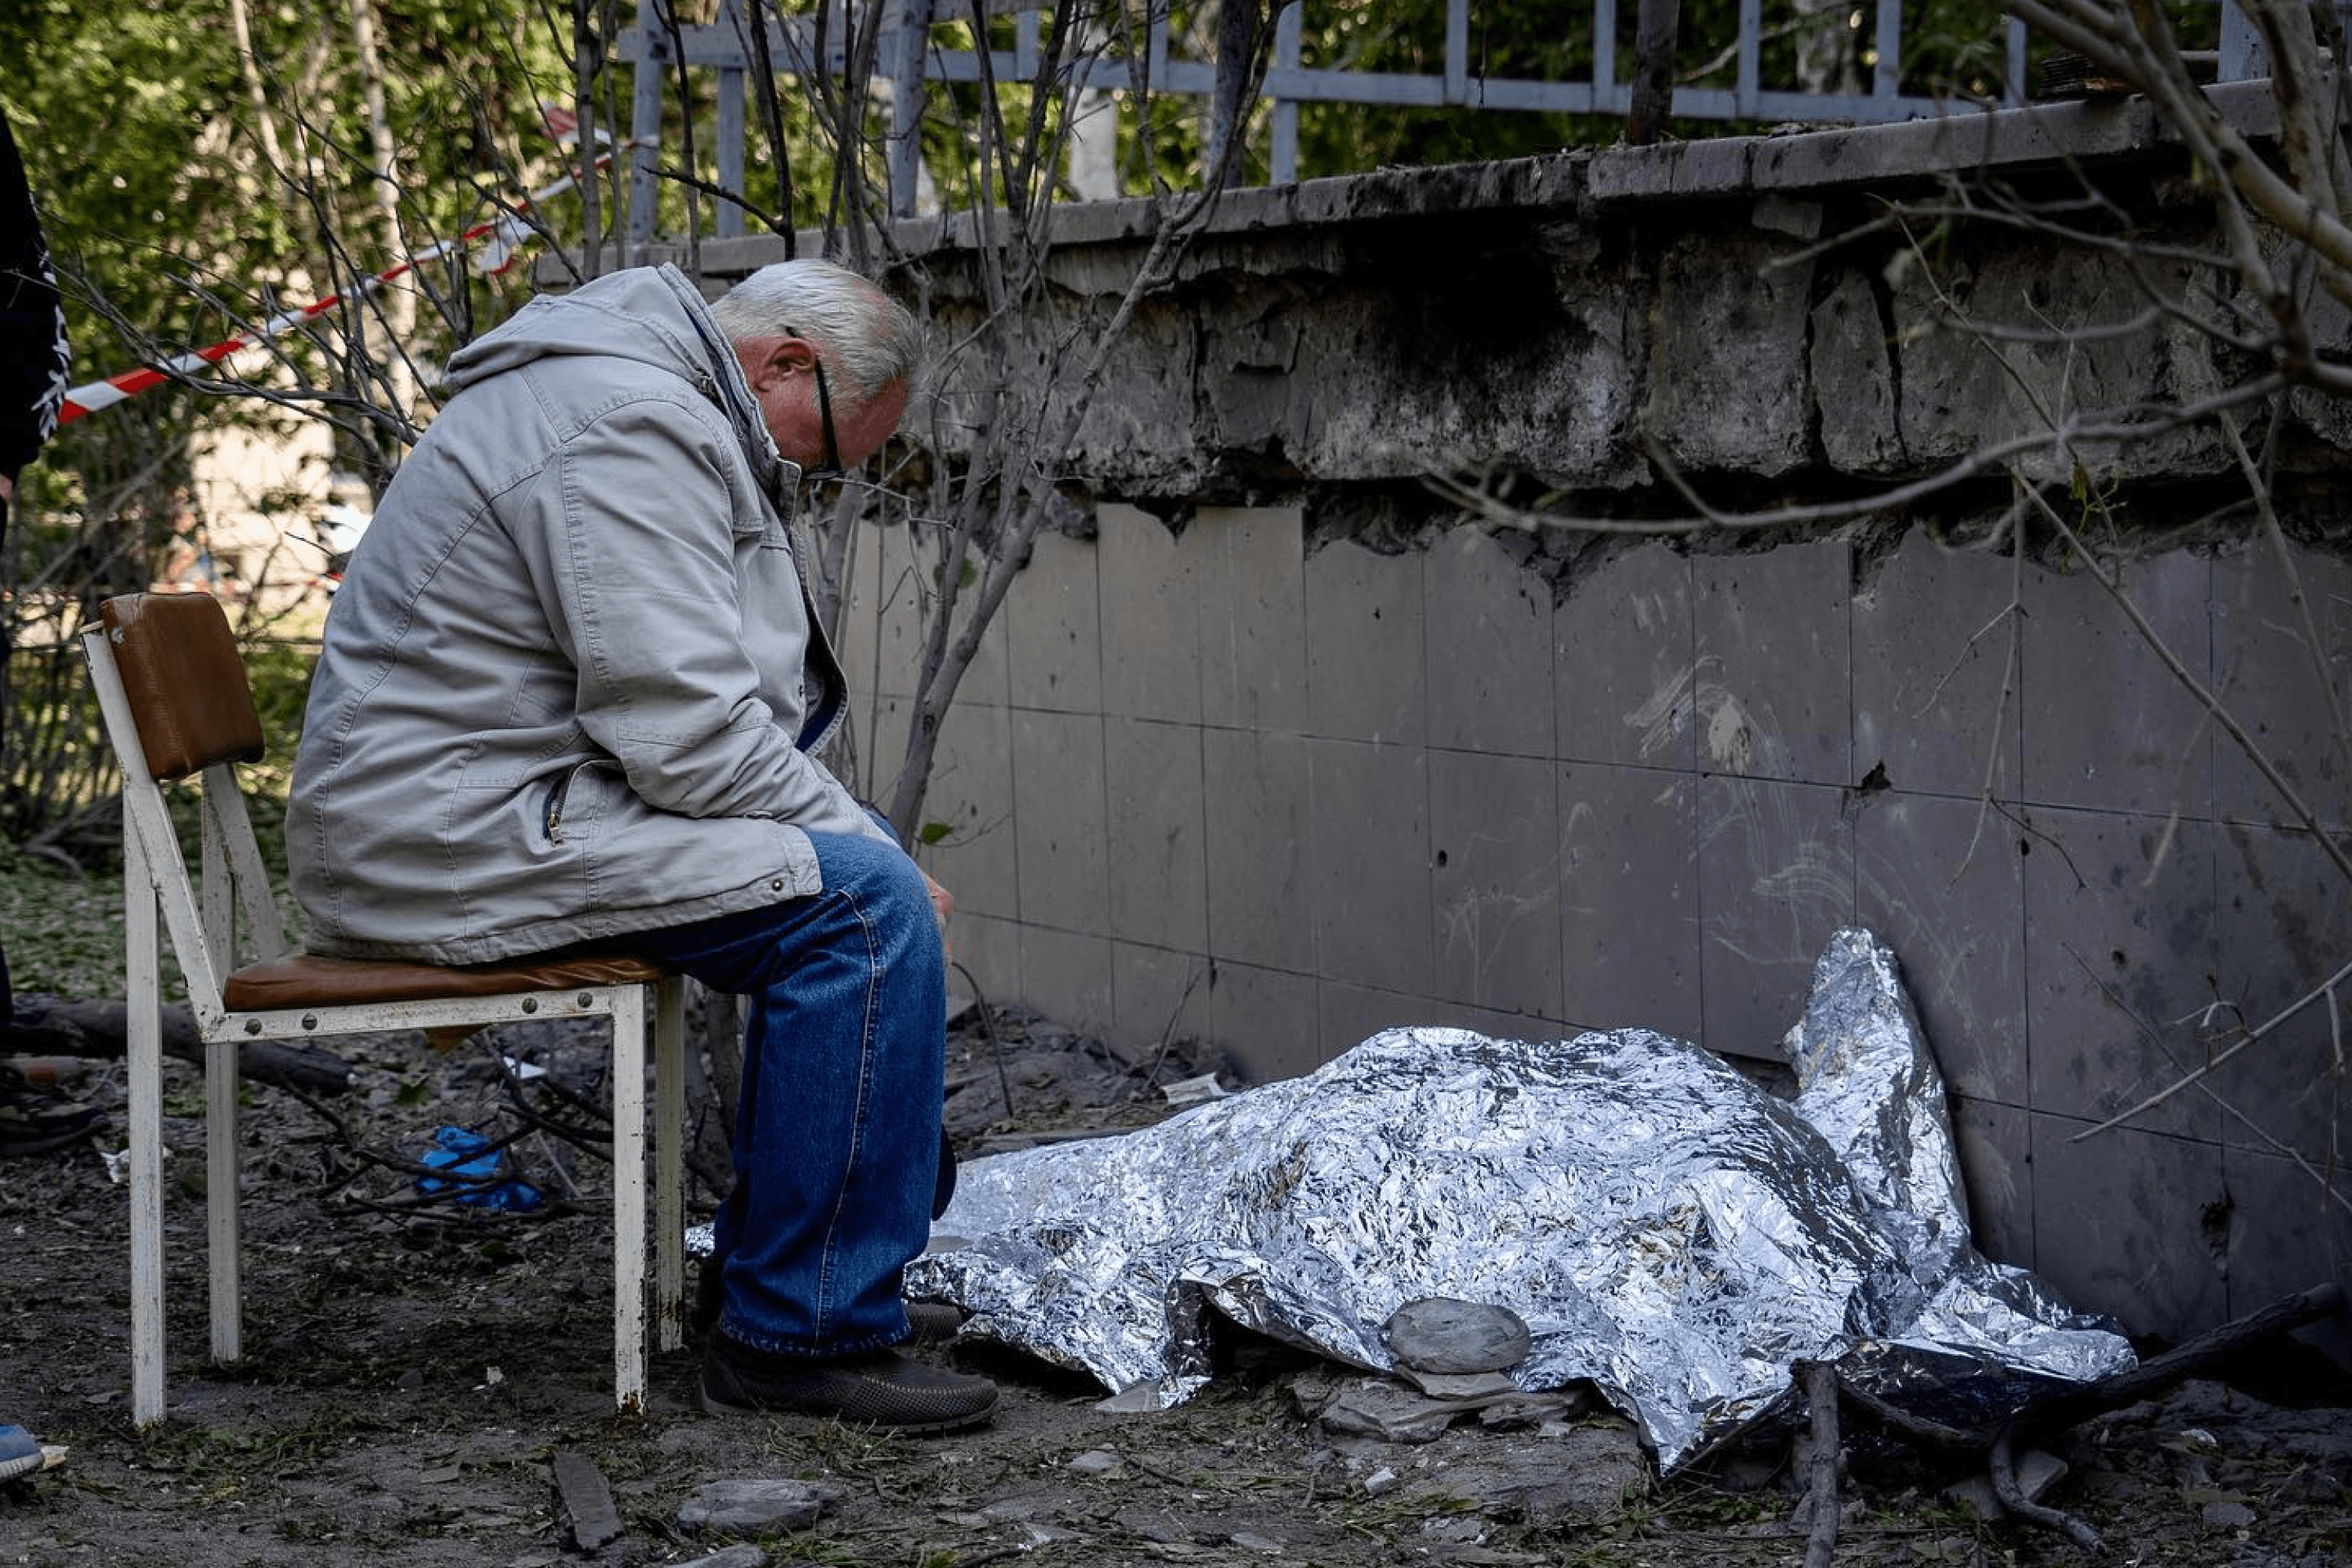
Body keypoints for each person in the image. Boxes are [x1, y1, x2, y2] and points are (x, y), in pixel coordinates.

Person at [287, 259, 997, 1433]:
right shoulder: (628, 418)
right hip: (443, 835)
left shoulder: (630, 389)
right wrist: (865, 844)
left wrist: (848, 830)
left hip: (483, 805)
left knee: (857, 875)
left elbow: (684, 724)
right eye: (816, 455)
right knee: (865, 904)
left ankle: (798, 1277)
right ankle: (800, 1327)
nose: (801, 481)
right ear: (783, 362)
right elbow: (684, 734)